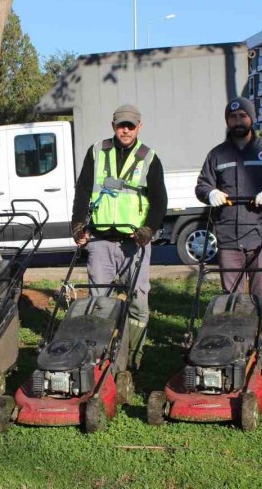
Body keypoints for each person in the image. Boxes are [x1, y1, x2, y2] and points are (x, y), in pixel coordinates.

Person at [71, 104, 168, 371]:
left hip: (133, 241)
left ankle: (133, 356)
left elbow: (159, 200)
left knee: (138, 301)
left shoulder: (149, 157)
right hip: (100, 240)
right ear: (113, 126)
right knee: (99, 301)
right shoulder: (97, 152)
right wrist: (78, 225)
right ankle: (99, 357)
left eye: (131, 126)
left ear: (140, 126)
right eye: (121, 125)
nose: (125, 130)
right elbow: (82, 190)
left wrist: (148, 229)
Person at [195, 97, 262, 302]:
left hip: (261, 235)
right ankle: (236, 333)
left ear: (252, 118)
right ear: (227, 121)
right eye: (232, 117)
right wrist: (210, 193)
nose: (238, 121)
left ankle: (261, 333)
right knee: (232, 296)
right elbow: (202, 186)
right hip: (228, 237)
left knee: (261, 294)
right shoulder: (217, 154)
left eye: (243, 116)